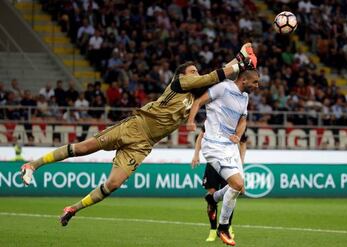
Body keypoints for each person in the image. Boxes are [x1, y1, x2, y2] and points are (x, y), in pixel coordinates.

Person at [21, 43, 257, 227]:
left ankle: (72, 209)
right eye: (192, 71)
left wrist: (240, 58)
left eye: (196, 71)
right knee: (83, 148)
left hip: (143, 144)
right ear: (183, 75)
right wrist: (239, 63)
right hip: (134, 126)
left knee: (113, 184)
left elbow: (216, 79)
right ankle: (32, 165)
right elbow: (210, 77)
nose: (195, 73)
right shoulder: (180, 82)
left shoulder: (195, 98)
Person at [187, 65, 259, 246]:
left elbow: (243, 120)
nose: (257, 85)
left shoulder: (245, 97)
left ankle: (212, 198)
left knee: (240, 189)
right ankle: (223, 227)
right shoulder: (223, 87)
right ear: (244, 80)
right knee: (237, 184)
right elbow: (197, 102)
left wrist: (238, 135)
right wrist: (190, 122)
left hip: (230, 146)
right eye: (255, 82)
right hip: (213, 144)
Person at [191, 126, 247, 242]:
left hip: (230, 163)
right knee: (212, 191)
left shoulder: (238, 121)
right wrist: (196, 154)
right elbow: (201, 136)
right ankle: (212, 230)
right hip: (214, 162)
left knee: (237, 190)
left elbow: (243, 142)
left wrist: (241, 162)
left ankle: (228, 225)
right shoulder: (214, 117)